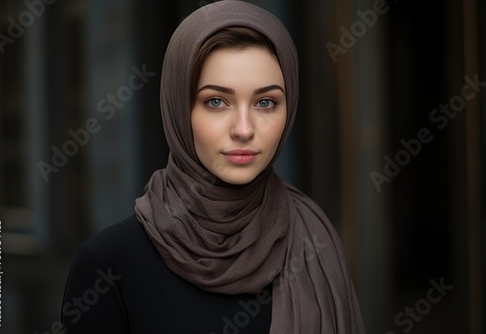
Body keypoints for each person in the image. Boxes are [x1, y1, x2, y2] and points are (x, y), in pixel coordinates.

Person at [61, 1, 365, 333]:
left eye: (266, 102)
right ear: (179, 109)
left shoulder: (314, 240)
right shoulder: (108, 265)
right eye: (216, 101)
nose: (244, 129)